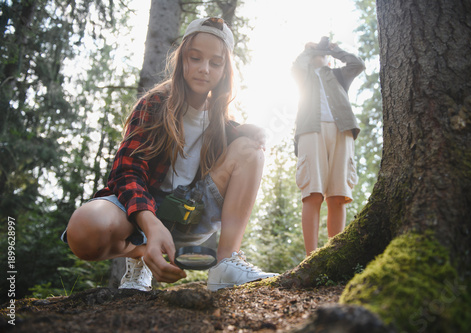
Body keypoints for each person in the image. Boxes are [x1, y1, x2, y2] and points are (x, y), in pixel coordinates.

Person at [62, 17, 277, 292]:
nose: (204, 69)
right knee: (83, 229)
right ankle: (140, 256)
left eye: (215, 62)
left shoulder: (224, 123)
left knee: (251, 148)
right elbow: (126, 171)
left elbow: (238, 169)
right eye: (195, 58)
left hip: (192, 212)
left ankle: (226, 263)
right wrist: (150, 225)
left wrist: (247, 132)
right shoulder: (154, 104)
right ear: (181, 60)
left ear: (225, 70)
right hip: (141, 212)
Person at [292, 37, 365, 256]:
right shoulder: (304, 76)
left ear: (329, 60)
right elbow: (296, 66)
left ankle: (334, 256)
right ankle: (311, 257)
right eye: (314, 54)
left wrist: (335, 50)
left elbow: (357, 65)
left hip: (342, 131)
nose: (318, 56)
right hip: (310, 130)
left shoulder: (339, 76)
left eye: (321, 55)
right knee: (312, 193)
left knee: (338, 195)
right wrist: (309, 50)